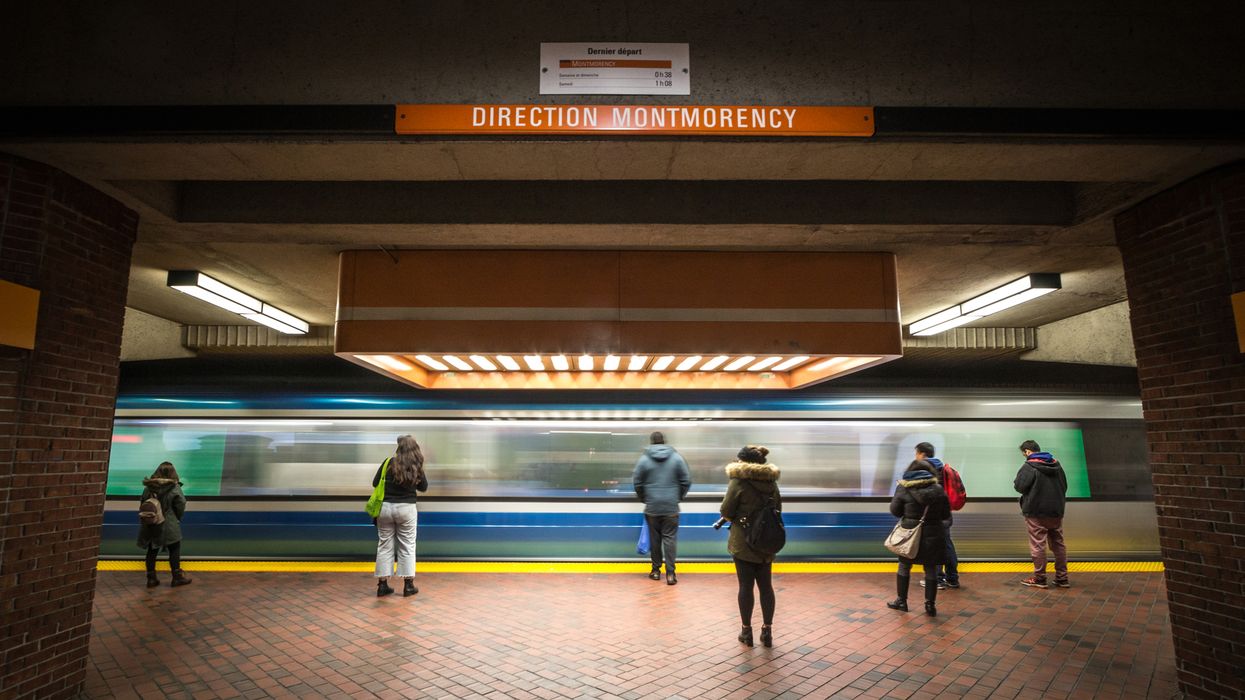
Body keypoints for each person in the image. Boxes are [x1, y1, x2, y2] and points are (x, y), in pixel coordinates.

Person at [718, 445, 781, 647]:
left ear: (743, 462)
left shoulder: (738, 482)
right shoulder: (771, 482)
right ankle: (767, 631)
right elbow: (777, 508)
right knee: (766, 586)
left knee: (746, 586)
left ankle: (747, 632)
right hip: (767, 541)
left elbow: (726, 510)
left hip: (743, 542)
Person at [887, 459, 950, 616]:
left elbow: (895, 511)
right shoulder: (938, 489)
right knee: (930, 569)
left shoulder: (903, 488)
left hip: (909, 535)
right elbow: (945, 514)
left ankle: (901, 601)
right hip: (933, 534)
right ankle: (930, 605)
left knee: (904, 566)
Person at [632, 431, 691, 585]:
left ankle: (656, 571)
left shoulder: (644, 459)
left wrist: (644, 498)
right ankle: (671, 574)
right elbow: (686, 481)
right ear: (664, 442)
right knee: (670, 540)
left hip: (652, 507)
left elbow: (637, 482)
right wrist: (678, 497)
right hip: (671, 507)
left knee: (655, 540)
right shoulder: (677, 458)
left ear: (651, 442)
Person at [373, 434, 429, 597]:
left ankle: (382, 585)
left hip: (385, 508)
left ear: (398, 448)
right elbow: (424, 487)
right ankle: (408, 585)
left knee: (384, 545)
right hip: (406, 509)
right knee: (407, 546)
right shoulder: (415, 466)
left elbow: (375, 483)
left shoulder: (388, 463)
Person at [1014, 440, 1069, 588]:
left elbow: (1019, 486)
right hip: (1056, 511)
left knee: (1038, 545)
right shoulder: (1057, 465)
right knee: (1058, 544)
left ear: (1028, 452)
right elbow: (1065, 486)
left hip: (1036, 512)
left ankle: (1040, 578)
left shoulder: (1029, 466)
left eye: (1024, 453)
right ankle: (1062, 578)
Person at [136, 461, 191, 588]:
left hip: (152, 524)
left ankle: (151, 578)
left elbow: (143, 503)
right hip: (169, 523)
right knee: (174, 548)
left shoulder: (148, 487)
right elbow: (181, 503)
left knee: (152, 550)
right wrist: (176, 517)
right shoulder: (174, 487)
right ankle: (176, 577)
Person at [915, 442, 960, 590]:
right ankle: (952, 578)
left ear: (922, 454)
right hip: (945, 513)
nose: (916, 457)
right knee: (946, 543)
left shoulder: (923, 469)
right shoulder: (942, 467)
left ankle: (938, 579)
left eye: (917, 453)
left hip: (931, 515)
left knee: (934, 546)